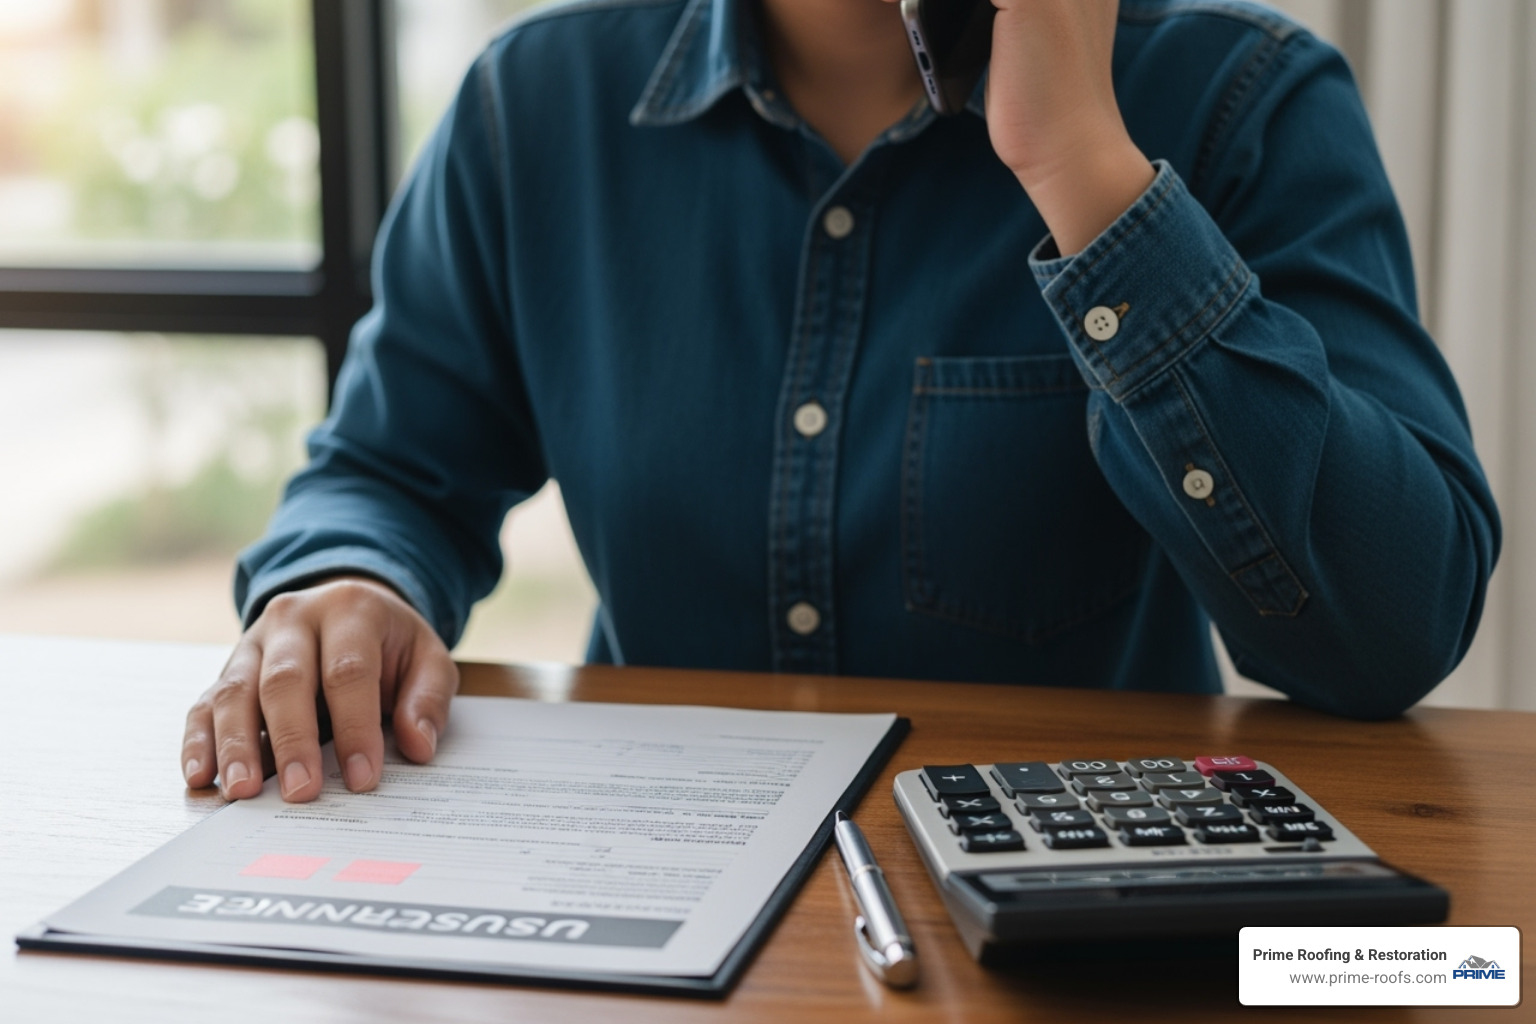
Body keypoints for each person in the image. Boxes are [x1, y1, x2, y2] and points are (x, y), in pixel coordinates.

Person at [181, 0, 1499, 804]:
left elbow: (1393, 630)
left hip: (1068, 914)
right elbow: (392, 471)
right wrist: (353, 579)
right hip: (651, 884)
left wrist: (1086, 172)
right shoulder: (534, 103)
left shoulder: (1241, 96)